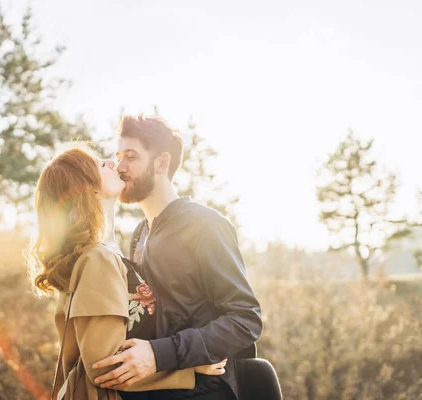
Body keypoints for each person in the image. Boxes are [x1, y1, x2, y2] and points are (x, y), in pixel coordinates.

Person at [30, 147, 226, 400]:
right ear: (89, 189)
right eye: (100, 165)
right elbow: (106, 366)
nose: (112, 163)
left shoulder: (107, 255)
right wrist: (190, 369)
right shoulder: (97, 259)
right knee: (255, 378)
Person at [92, 115, 263, 399]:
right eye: (118, 156)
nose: (120, 167)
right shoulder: (138, 233)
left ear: (161, 163)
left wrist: (161, 355)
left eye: (131, 157)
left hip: (204, 391)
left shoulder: (205, 226)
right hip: (156, 385)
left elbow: (246, 319)